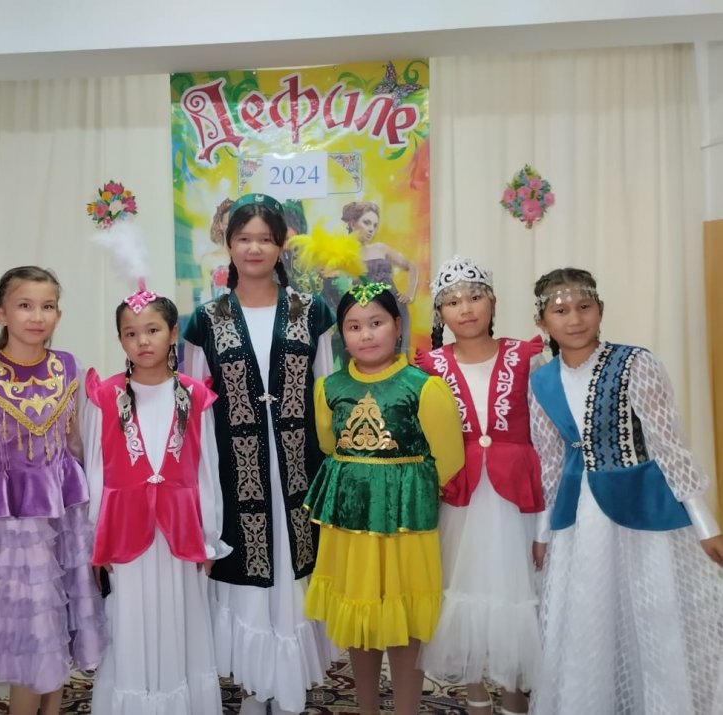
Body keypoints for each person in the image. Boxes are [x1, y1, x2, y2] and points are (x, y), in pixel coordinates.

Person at [528, 267, 723, 715]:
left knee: (653, 614)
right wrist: (543, 532)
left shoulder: (635, 363)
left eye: (584, 307)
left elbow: (668, 444)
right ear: (542, 322)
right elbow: (549, 462)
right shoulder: (541, 381)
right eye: (560, 311)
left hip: (642, 510)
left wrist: (705, 524)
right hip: (579, 518)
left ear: (600, 310)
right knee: (588, 616)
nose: (574, 319)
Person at [182, 193, 335, 715]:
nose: (254, 248)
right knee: (246, 573)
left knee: (294, 570)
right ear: (228, 244)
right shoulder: (206, 319)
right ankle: (253, 687)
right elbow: (195, 405)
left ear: (281, 245)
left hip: (300, 464)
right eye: (243, 238)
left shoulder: (311, 311)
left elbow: (326, 392)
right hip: (234, 466)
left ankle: (290, 687)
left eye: (265, 239)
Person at [0, 266, 105, 715]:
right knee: (32, 637)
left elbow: (77, 448)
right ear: (1, 314)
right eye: (24, 306)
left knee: (58, 631)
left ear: (59, 314)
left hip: (65, 522)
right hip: (14, 533)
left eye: (47, 306)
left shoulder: (69, 368)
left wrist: (92, 526)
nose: (37, 316)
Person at [305, 282, 464, 715]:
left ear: (397, 325)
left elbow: (449, 458)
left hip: (404, 522)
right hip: (350, 521)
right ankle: (367, 707)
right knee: (359, 616)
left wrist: (402, 489)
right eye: (354, 326)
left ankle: (407, 708)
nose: (366, 334)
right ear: (342, 335)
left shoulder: (423, 386)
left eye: (376, 323)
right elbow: (328, 444)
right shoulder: (329, 388)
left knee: (404, 618)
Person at [83, 289, 230, 714]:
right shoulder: (105, 396)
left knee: (180, 619)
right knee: (129, 621)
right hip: (124, 529)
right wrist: (95, 540)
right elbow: (95, 470)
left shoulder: (195, 396)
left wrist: (209, 538)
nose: (142, 341)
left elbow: (207, 471)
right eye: (130, 333)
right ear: (120, 339)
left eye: (152, 330)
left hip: (180, 532)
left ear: (172, 333)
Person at [415, 256, 543, 714]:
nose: (465, 309)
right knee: (461, 583)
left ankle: (515, 692)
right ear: (440, 313)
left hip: (516, 493)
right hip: (460, 495)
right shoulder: (430, 365)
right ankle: (474, 692)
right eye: (452, 302)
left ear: (492, 303)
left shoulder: (526, 356)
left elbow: (545, 430)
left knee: (517, 589)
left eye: (474, 297)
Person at [341, 201, 418, 352]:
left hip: (395, 307)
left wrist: (410, 293)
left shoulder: (380, 249)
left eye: (375, 225)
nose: (371, 229)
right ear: (352, 223)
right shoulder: (342, 255)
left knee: (398, 352)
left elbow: (411, 266)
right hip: (366, 314)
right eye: (367, 222)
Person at [198, 198, 234, 303]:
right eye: (228, 224)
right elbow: (206, 296)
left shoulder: (250, 259)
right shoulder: (209, 260)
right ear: (221, 225)